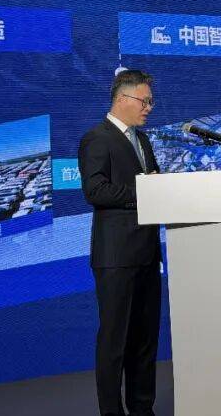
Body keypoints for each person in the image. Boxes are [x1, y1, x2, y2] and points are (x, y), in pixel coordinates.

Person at [78, 69, 162, 416]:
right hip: (116, 257)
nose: (149, 108)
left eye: (150, 102)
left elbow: (155, 184)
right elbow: (95, 190)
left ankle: (143, 408)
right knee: (115, 342)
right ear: (123, 99)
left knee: (145, 340)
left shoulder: (143, 141)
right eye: (145, 101)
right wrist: (142, 191)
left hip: (147, 254)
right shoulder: (97, 138)